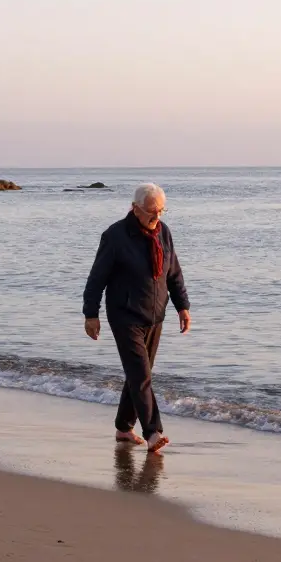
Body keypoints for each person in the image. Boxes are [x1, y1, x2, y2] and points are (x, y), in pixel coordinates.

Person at [82, 183, 191, 453]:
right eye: (152, 211)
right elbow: (97, 278)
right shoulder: (115, 236)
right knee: (141, 375)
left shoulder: (163, 232)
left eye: (161, 211)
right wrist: (91, 314)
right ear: (135, 208)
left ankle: (123, 427)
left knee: (139, 374)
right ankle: (153, 432)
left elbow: (173, 273)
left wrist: (182, 306)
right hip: (125, 315)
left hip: (155, 316)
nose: (157, 216)